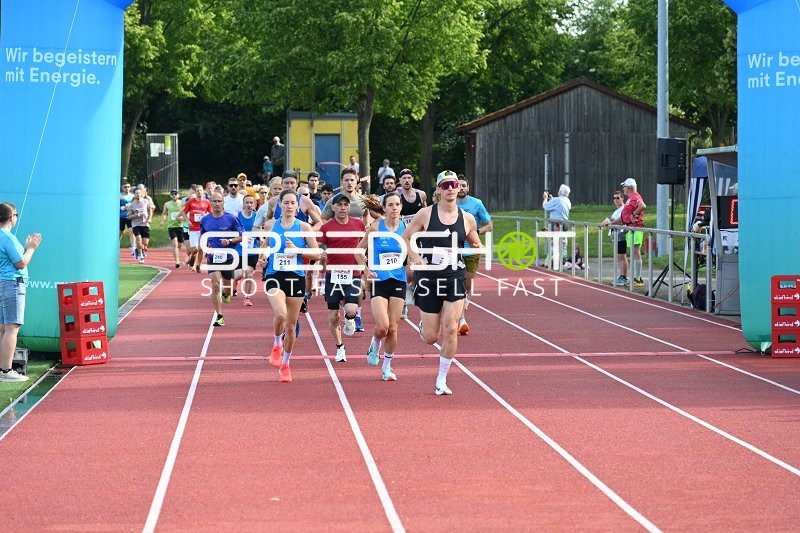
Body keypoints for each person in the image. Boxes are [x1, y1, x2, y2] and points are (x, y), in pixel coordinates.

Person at [402, 171, 482, 396]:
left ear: (459, 188)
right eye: (445, 184)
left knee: (451, 328)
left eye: (453, 184)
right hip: (428, 276)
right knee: (430, 337)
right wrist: (414, 256)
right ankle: (423, 326)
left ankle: (441, 379)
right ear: (438, 189)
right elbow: (406, 237)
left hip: (454, 275)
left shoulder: (467, 218)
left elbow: (474, 240)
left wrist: (475, 247)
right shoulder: (425, 214)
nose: (450, 188)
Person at [261, 189, 319, 382]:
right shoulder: (270, 225)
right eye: (285, 202)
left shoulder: (303, 227)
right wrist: (263, 256)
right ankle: (277, 343)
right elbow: (265, 248)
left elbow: (317, 254)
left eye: (292, 202)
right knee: (281, 315)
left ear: (297, 205)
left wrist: (298, 250)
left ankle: (285, 365)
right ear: (280, 205)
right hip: (274, 275)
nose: (289, 206)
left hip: (296, 277)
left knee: (292, 327)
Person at [355, 192, 406, 381]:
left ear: (401, 207)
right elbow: (358, 251)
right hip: (379, 280)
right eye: (390, 205)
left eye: (397, 204)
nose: (394, 208)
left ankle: (387, 367)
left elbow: (411, 253)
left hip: (398, 280)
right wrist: (366, 270)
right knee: (383, 327)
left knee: (393, 328)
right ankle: (375, 342)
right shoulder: (376, 227)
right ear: (384, 208)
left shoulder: (405, 229)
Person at [318, 193, 366, 363]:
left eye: (346, 205)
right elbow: (316, 247)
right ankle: (340, 347)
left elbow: (366, 243)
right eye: (340, 205)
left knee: (351, 309)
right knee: (332, 317)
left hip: (353, 273)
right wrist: (320, 255)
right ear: (333, 207)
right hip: (333, 275)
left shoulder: (359, 224)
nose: (343, 208)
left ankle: (350, 318)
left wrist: (365, 260)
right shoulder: (326, 227)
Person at [0, 202, 42, 382]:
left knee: (3, 328)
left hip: (4, 282)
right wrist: (31, 247)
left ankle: (3, 369)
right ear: (11, 217)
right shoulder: (7, 237)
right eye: (16, 215)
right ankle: (6, 370)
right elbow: (20, 263)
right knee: (11, 328)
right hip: (12, 283)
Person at [199, 192, 243, 327]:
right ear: (210, 203)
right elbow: (203, 240)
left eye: (219, 201)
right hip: (213, 257)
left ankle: (226, 294)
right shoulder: (205, 220)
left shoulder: (232, 219)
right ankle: (219, 315)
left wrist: (230, 241)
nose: (217, 204)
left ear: (223, 203)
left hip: (228, 258)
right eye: (214, 201)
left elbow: (242, 236)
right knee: (215, 284)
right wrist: (198, 261)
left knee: (228, 289)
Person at [456, 175, 493, 335]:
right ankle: (461, 318)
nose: (461, 188)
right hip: (454, 249)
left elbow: (489, 225)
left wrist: (475, 232)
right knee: (457, 282)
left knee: (468, 284)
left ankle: (464, 296)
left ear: (468, 188)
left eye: (464, 185)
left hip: (471, 249)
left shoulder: (476, 204)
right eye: (459, 185)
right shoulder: (449, 204)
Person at [605, 178, 646, 287]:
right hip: (631, 228)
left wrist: (634, 214)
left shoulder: (635, 196)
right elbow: (624, 217)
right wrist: (612, 223)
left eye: (624, 186)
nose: (623, 188)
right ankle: (636, 278)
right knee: (633, 252)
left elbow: (642, 205)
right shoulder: (630, 199)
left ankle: (637, 279)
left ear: (628, 187)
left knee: (636, 252)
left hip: (636, 228)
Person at [181, 184, 212, 270]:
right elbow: (183, 212)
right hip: (193, 229)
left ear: (203, 191)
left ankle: (198, 265)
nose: (199, 192)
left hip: (203, 229)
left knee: (201, 248)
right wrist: (188, 221)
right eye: (197, 191)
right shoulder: (191, 202)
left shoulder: (207, 202)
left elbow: (211, 214)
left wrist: (206, 216)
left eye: (201, 190)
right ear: (195, 192)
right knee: (194, 249)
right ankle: (192, 257)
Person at [542, 184, 572, 269]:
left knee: (553, 243)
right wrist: (552, 199)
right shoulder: (567, 201)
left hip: (556, 223)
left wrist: (545, 198)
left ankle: (553, 261)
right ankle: (559, 259)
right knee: (561, 243)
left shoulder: (556, 200)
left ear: (560, 191)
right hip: (565, 223)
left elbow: (545, 206)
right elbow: (559, 206)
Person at [603, 191, 629, 285]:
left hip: (621, 235)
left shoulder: (624, 208)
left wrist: (610, 222)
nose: (616, 200)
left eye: (618, 198)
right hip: (615, 235)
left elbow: (622, 220)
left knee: (622, 256)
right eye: (614, 198)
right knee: (620, 256)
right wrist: (607, 221)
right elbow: (613, 221)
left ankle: (624, 276)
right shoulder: (617, 210)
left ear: (622, 198)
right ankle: (621, 276)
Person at [161, 189, 185, 268]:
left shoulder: (182, 203)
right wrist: (162, 221)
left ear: (178, 195)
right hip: (171, 227)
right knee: (174, 244)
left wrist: (182, 218)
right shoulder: (167, 204)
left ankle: (177, 255)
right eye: (172, 194)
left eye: (175, 194)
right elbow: (164, 214)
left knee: (179, 245)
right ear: (170, 195)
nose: (174, 195)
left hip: (180, 226)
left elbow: (186, 213)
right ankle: (177, 261)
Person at [119, 183, 135, 256]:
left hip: (130, 217)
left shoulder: (133, 196)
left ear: (130, 188)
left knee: (131, 231)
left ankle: (133, 247)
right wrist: (121, 208)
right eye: (125, 187)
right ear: (122, 188)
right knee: (121, 232)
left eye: (128, 187)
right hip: (121, 217)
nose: (127, 188)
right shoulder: (120, 196)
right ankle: (116, 246)